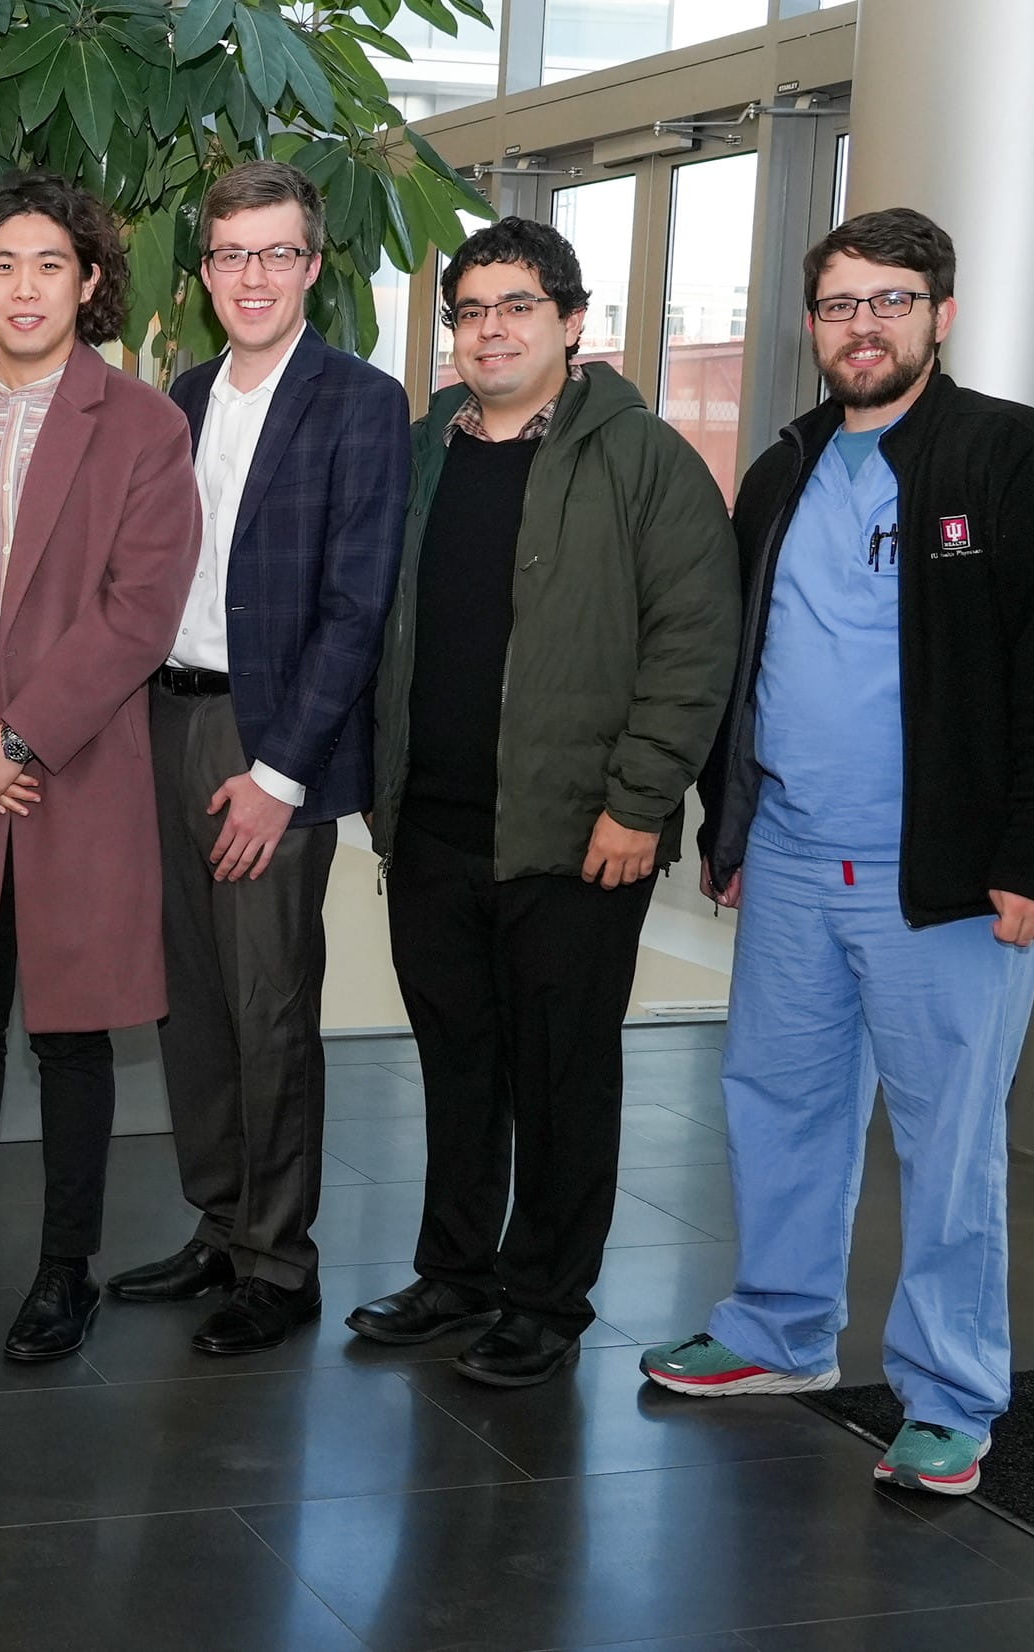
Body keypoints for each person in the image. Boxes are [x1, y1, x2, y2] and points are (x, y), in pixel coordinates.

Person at [641, 209, 1034, 1494]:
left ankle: (951, 1392)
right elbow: (742, 664)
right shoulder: (783, 469)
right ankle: (779, 1328)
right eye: (841, 303)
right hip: (794, 858)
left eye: (892, 300)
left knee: (948, 1146)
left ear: (941, 315)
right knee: (778, 1103)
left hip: (947, 879)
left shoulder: (1018, 460)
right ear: (813, 323)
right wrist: (730, 824)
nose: (865, 325)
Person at [346, 216, 738, 1388]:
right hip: (433, 825)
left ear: (572, 322)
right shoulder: (423, 451)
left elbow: (694, 641)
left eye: (517, 306)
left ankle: (546, 1297)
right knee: (458, 1062)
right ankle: (455, 1271)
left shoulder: (644, 458)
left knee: (563, 1076)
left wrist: (639, 800)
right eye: (470, 311)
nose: (491, 329)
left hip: (579, 833)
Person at [0, 171, 200, 1363]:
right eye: (2, 264)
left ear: (90, 280)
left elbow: (139, 611)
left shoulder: (146, 425)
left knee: (73, 1031)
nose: (24, 287)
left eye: (50, 264)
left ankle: (67, 1267)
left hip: (76, 766)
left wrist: (16, 735)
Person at [106, 160, 408, 1356]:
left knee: (268, 1002)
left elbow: (357, 603)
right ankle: (221, 1222)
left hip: (266, 735)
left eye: (277, 253)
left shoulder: (360, 402)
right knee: (188, 997)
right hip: (163, 719)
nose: (253, 276)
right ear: (204, 269)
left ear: (314, 267)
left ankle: (278, 1261)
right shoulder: (178, 398)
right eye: (232, 253)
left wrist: (281, 775)